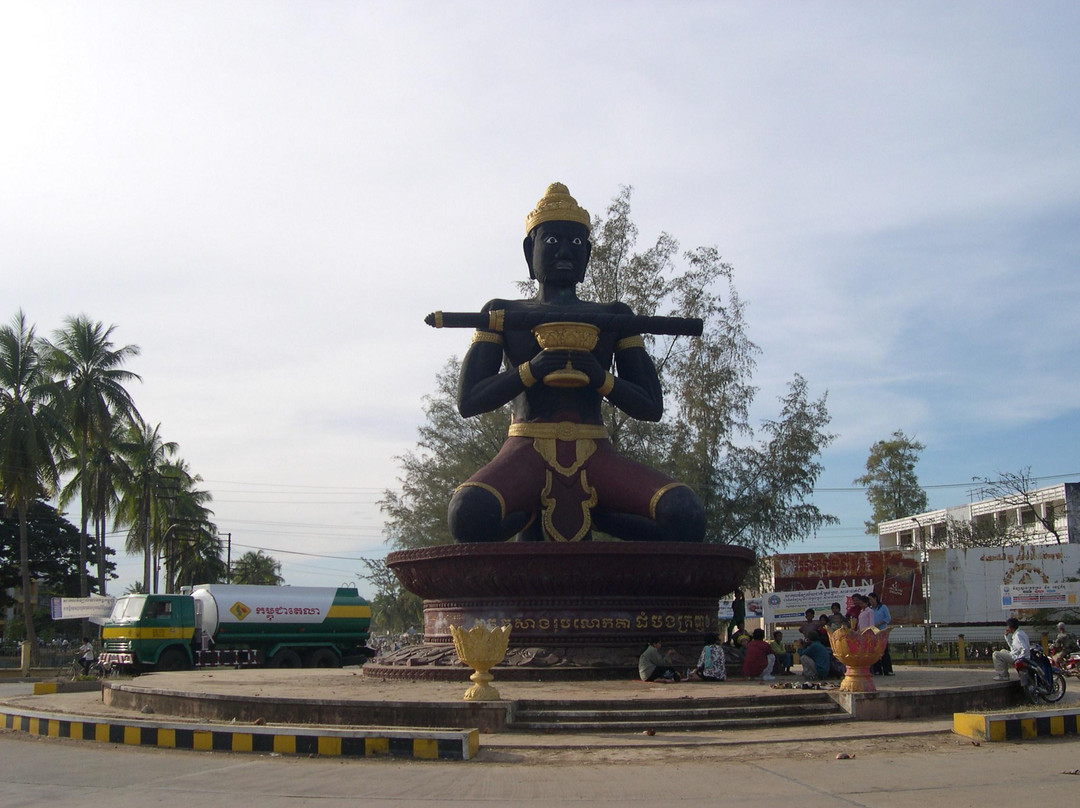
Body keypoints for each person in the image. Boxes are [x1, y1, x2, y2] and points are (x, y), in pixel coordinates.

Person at [447, 183, 706, 544]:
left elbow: (651, 406)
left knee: (684, 513)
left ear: (588, 255)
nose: (565, 250)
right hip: (524, 451)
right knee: (468, 514)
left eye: (576, 243)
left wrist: (600, 378)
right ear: (529, 251)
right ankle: (526, 512)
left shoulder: (615, 317)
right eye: (551, 241)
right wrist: (532, 369)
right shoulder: (501, 313)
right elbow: (469, 400)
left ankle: (600, 514)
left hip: (596, 452)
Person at [992, 617, 1031, 681]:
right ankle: (1004, 674)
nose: (1006, 628)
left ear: (1011, 627)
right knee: (1002, 651)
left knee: (996, 654)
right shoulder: (1019, 633)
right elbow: (1013, 648)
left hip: (1018, 658)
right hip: (1016, 655)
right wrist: (1007, 637)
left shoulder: (1018, 635)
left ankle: (1003, 675)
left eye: (1007, 626)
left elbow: (1025, 649)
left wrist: (1019, 659)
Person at [867, 592, 894, 675]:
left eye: (871, 599)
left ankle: (888, 670)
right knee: (875, 651)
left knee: (884, 650)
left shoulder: (883, 607)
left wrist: (878, 624)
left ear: (875, 598)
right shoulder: (870, 609)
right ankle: (877, 669)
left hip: (882, 631)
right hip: (873, 632)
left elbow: (888, 618)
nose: (870, 601)